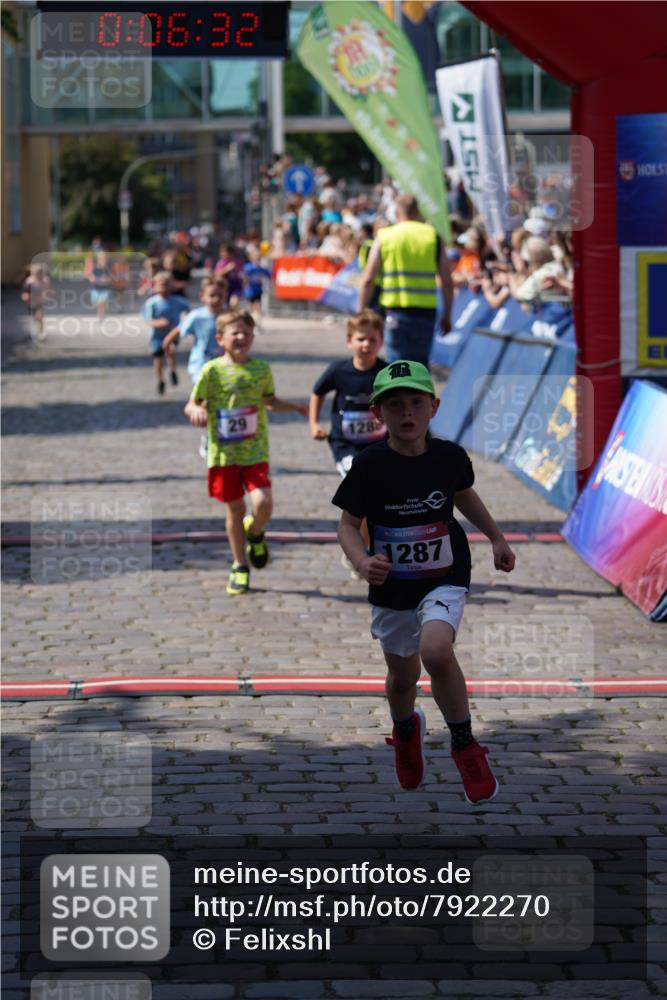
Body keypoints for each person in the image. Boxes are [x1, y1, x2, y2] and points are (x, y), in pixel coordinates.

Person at [332, 360, 516, 803]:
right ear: (379, 413)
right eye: (396, 405)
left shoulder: (449, 457)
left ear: (434, 407)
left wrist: (496, 538)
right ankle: (405, 729)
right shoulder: (370, 463)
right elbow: (346, 524)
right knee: (402, 676)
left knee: (436, 650)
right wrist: (361, 561)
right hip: (393, 583)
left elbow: (463, 493)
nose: (407, 413)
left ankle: (464, 743)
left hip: (444, 573)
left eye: (417, 402)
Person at [184, 309, 309, 596]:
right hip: (224, 455)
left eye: (247, 333)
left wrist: (295, 407)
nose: (241, 337)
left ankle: (255, 532)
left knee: (263, 503)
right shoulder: (211, 370)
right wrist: (196, 411)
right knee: (235, 510)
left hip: (255, 451)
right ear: (220, 338)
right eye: (235, 333)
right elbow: (192, 403)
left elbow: (270, 401)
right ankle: (240, 565)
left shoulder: (261, 369)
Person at [357, 193, 453, 367]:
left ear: (397, 211)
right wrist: (447, 314)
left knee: (397, 368)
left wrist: (361, 312)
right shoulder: (432, 236)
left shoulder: (385, 236)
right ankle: (420, 394)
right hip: (426, 312)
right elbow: (447, 280)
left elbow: (368, 279)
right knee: (420, 368)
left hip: (396, 313)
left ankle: (398, 394)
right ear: (417, 212)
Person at [162, 277, 227, 456]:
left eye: (220, 296)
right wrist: (168, 343)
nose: (216, 300)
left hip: (224, 367)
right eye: (212, 295)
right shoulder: (197, 316)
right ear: (203, 297)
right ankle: (208, 435)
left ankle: (215, 433)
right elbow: (180, 330)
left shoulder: (228, 316)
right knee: (207, 400)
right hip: (200, 366)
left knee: (221, 403)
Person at [142, 271, 189, 395]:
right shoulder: (152, 303)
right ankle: (160, 379)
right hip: (157, 336)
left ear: (172, 285)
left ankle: (173, 370)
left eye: (167, 284)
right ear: (155, 286)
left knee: (171, 351)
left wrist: (183, 320)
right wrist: (159, 323)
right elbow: (148, 320)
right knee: (158, 359)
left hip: (172, 333)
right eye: (161, 284)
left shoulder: (178, 301)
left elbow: (188, 312)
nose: (164, 287)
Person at [21, 262, 50, 341]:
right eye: (36, 273)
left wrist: (46, 295)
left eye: (40, 273)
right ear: (32, 273)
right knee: (35, 318)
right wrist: (25, 296)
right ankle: (38, 331)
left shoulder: (45, 281)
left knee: (39, 317)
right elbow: (25, 291)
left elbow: (47, 290)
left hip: (40, 302)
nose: (38, 275)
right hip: (31, 303)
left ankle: (41, 333)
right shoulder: (29, 281)